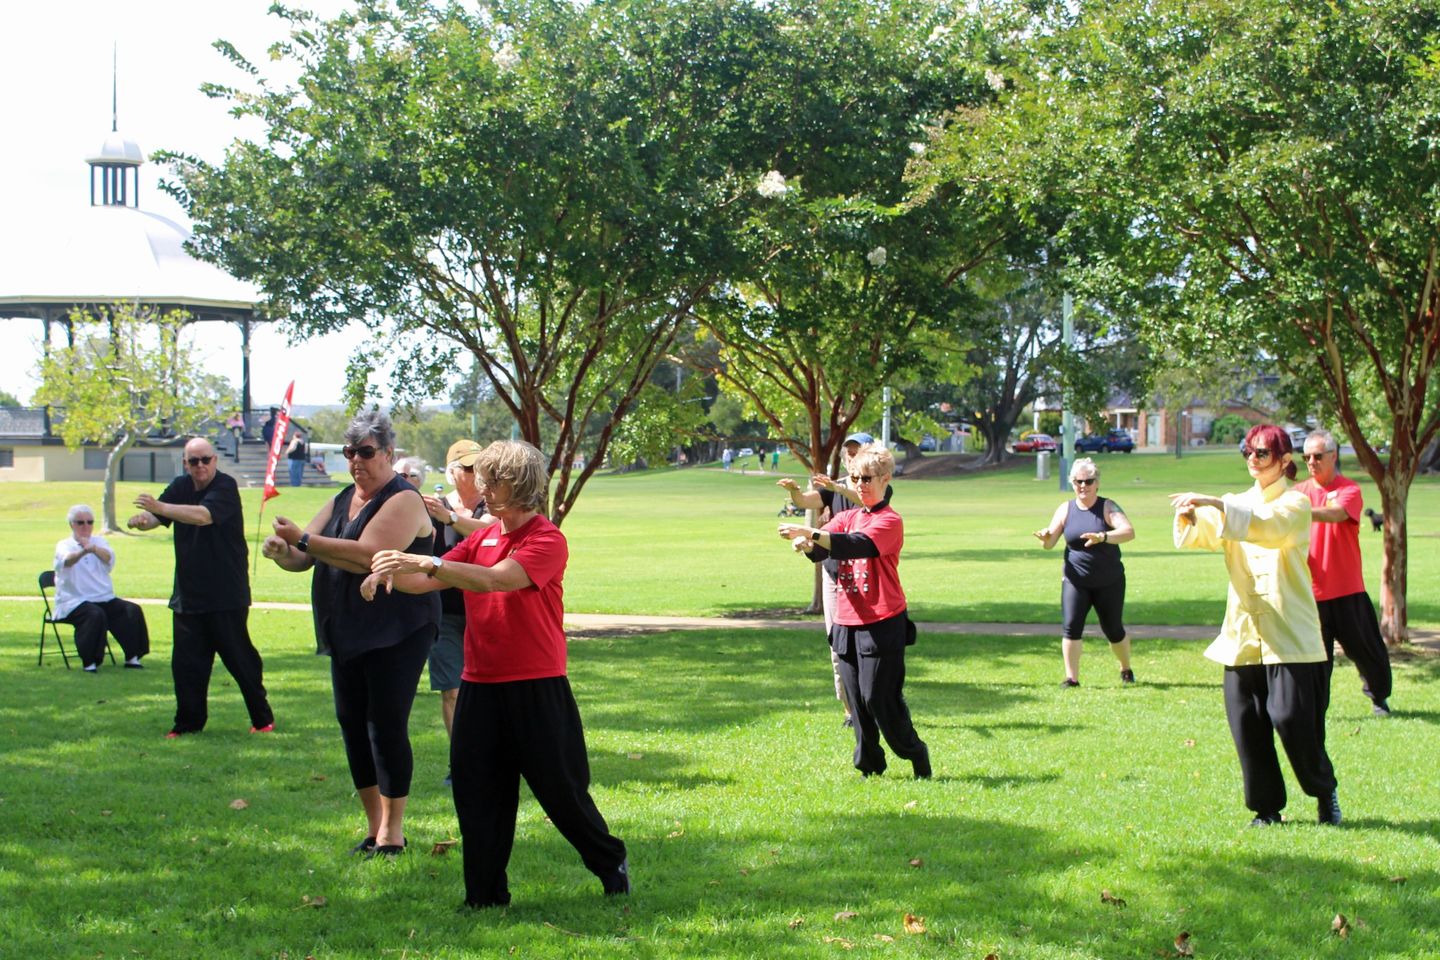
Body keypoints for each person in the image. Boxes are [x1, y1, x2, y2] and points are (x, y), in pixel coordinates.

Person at [365, 440, 629, 907]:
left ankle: (609, 860)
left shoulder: (546, 539)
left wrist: (424, 561)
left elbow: (495, 579)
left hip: (536, 685)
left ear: (518, 485)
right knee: (477, 792)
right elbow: (427, 579)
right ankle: (484, 896)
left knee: (561, 792)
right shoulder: (481, 538)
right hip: (479, 685)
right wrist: (384, 568)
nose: (481, 486)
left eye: (491, 479)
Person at [261, 411, 439, 858]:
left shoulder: (404, 499)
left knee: (385, 725)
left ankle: (393, 833)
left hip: (397, 629)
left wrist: (304, 541)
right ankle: (372, 826)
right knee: (353, 725)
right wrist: (284, 551)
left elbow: (368, 555)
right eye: (349, 452)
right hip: (346, 628)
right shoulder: (344, 497)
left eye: (366, 452)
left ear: (388, 454)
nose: (356, 461)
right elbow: (305, 556)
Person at [1171, 423, 1341, 827]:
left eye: (1261, 453)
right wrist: (1191, 516)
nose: (1252, 458)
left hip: (1291, 635)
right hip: (1242, 635)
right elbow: (1205, 534)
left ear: (1285, 461)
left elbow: (1264, 527)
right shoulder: (1233, 502)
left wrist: (1215, 503)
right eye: (1247, 451)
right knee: (1248, 725)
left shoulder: (1296, 505)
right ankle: (1267, 810)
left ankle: (1323, 790)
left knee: (1290, 719)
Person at [777, 443, 931, 780]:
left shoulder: (890, 520)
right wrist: (807, 545)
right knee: (857, 704)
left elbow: (857, 545)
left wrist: (812, 533)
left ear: (885, 478)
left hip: (882, 622)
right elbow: (825, 549)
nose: (859, 484)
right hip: (846, 623)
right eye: (855, 478)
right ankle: (870, 767)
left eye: (866, 478)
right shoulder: (847, 517)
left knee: (879, 698)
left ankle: (915, 752)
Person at [128, 438, 275, 737]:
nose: (200, 466)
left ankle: (262, 720)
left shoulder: (225, 487)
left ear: (214, 460)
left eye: (205, 459)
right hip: (188, 594)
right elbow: (157, 517)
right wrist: (143, 520)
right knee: (186, 665)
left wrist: (160, 507)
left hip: (225, 593)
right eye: (193, 461)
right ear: (185, 463)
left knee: (239, 658)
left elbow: (203, 517)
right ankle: (187, 725)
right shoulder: (180, 487)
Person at [776, 431, 889, 726]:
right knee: (838, 647)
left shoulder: (877, 487)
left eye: (857, 450)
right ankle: (851, 711)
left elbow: (865, 503)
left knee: (869, 649)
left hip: (866, 580)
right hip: (835, 575)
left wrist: (840, 489)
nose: (851, 455)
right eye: (848, 451)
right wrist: (795, 494)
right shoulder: (834, 487)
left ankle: (874, 707)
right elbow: (808, 502)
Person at [1296, 429, 1393, 716]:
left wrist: (1299, 510)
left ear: (1333, 456)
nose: (1311, 462)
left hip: (1347, 589)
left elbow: (1337, 513)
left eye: (1317, 456)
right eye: (1306, 457)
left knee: (1367, 651)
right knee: (1316, 660)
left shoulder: (1349, 489)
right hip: (1311, 593)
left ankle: (1379, 698)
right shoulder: (1298, 493)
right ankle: (1316, 711)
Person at [419, 439, 495, 785]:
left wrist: (450, 518)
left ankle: (493, 755)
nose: (475, 473)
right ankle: (462, 761)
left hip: (487, 612)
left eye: (478, 466)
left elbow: (492, 533)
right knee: (452, 689)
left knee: (491, 690)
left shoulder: (490, 505)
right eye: (467, 467)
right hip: (445, 612)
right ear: (451, 472)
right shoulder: (431, 506)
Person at [1032, 457, 1136, 687]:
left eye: (1088, 481)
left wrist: (1103, 537)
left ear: (1097, 483)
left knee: (1113, 629)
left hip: (1109, 580)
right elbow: (1050, 544)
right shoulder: (1065, 509)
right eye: (1078, 481)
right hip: (1075, 579)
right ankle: (1072, 678)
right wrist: (1045, 538)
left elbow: (1128, 532)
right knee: (1071, 626)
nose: (1083, 486)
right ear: (1072, 483)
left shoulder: (1107, 507)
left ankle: (1126, 668)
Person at [52, 504, 149, 672]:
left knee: (131, 610)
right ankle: (90, 662)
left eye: (89, 522)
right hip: (73, 601)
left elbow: (108, 557)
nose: (85, 526)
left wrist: (93, 548)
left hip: (103, 598)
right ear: (71, 524)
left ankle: (133, 657)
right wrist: (83, 552)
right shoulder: (64, 545)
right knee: (94, 614)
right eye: (80, 522)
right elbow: (66, 561)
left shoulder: (100, 542)